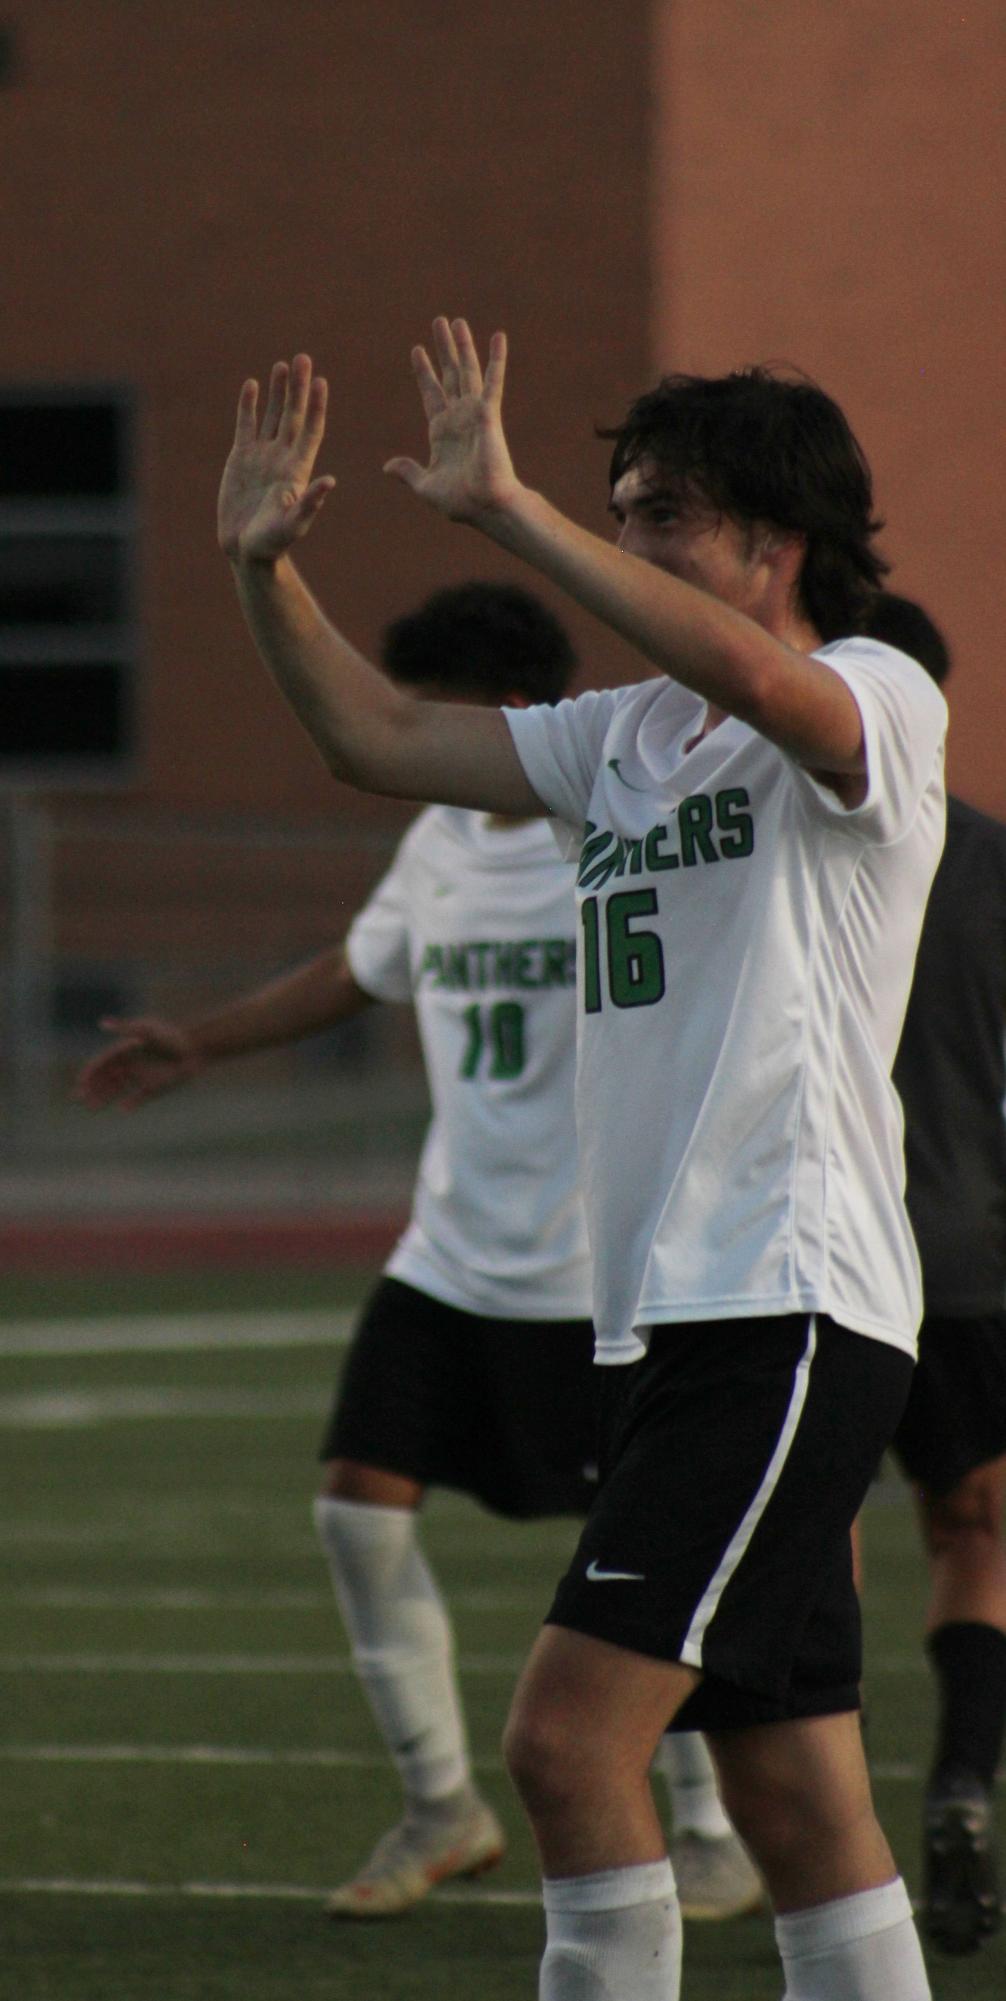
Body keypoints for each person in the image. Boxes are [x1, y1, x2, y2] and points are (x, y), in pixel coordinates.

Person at [215, 326, 947, 1999]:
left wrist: (509, 510)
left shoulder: (876, 696)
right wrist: (264, 574)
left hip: (785, 1293)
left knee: (562, 1741)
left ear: (776, 542)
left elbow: (770, 685)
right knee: (790, 1790)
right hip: (670, 1322)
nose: (627, 541)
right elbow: (378, 742)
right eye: (618, 510)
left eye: (663, 514)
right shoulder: (618, 741)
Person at [76, 575, 761, 1925]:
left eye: (436, 722)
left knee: (628, 1562)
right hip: (450, 1252)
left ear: (518, 714)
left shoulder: (611, 820)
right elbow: (362, 963)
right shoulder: (440, 836)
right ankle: (442, 1804)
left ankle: (709, 1828)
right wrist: (204, 1039)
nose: (419, 750)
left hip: (593, 1273)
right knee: (355, 1498)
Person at [864, 590, 1006, 1956]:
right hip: (962, 1256)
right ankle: (961, 1772)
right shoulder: (987, 862)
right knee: (973, 1532)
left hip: (801, 1259)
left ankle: (804, 1830)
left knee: (796, 1545)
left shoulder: (760, 839)